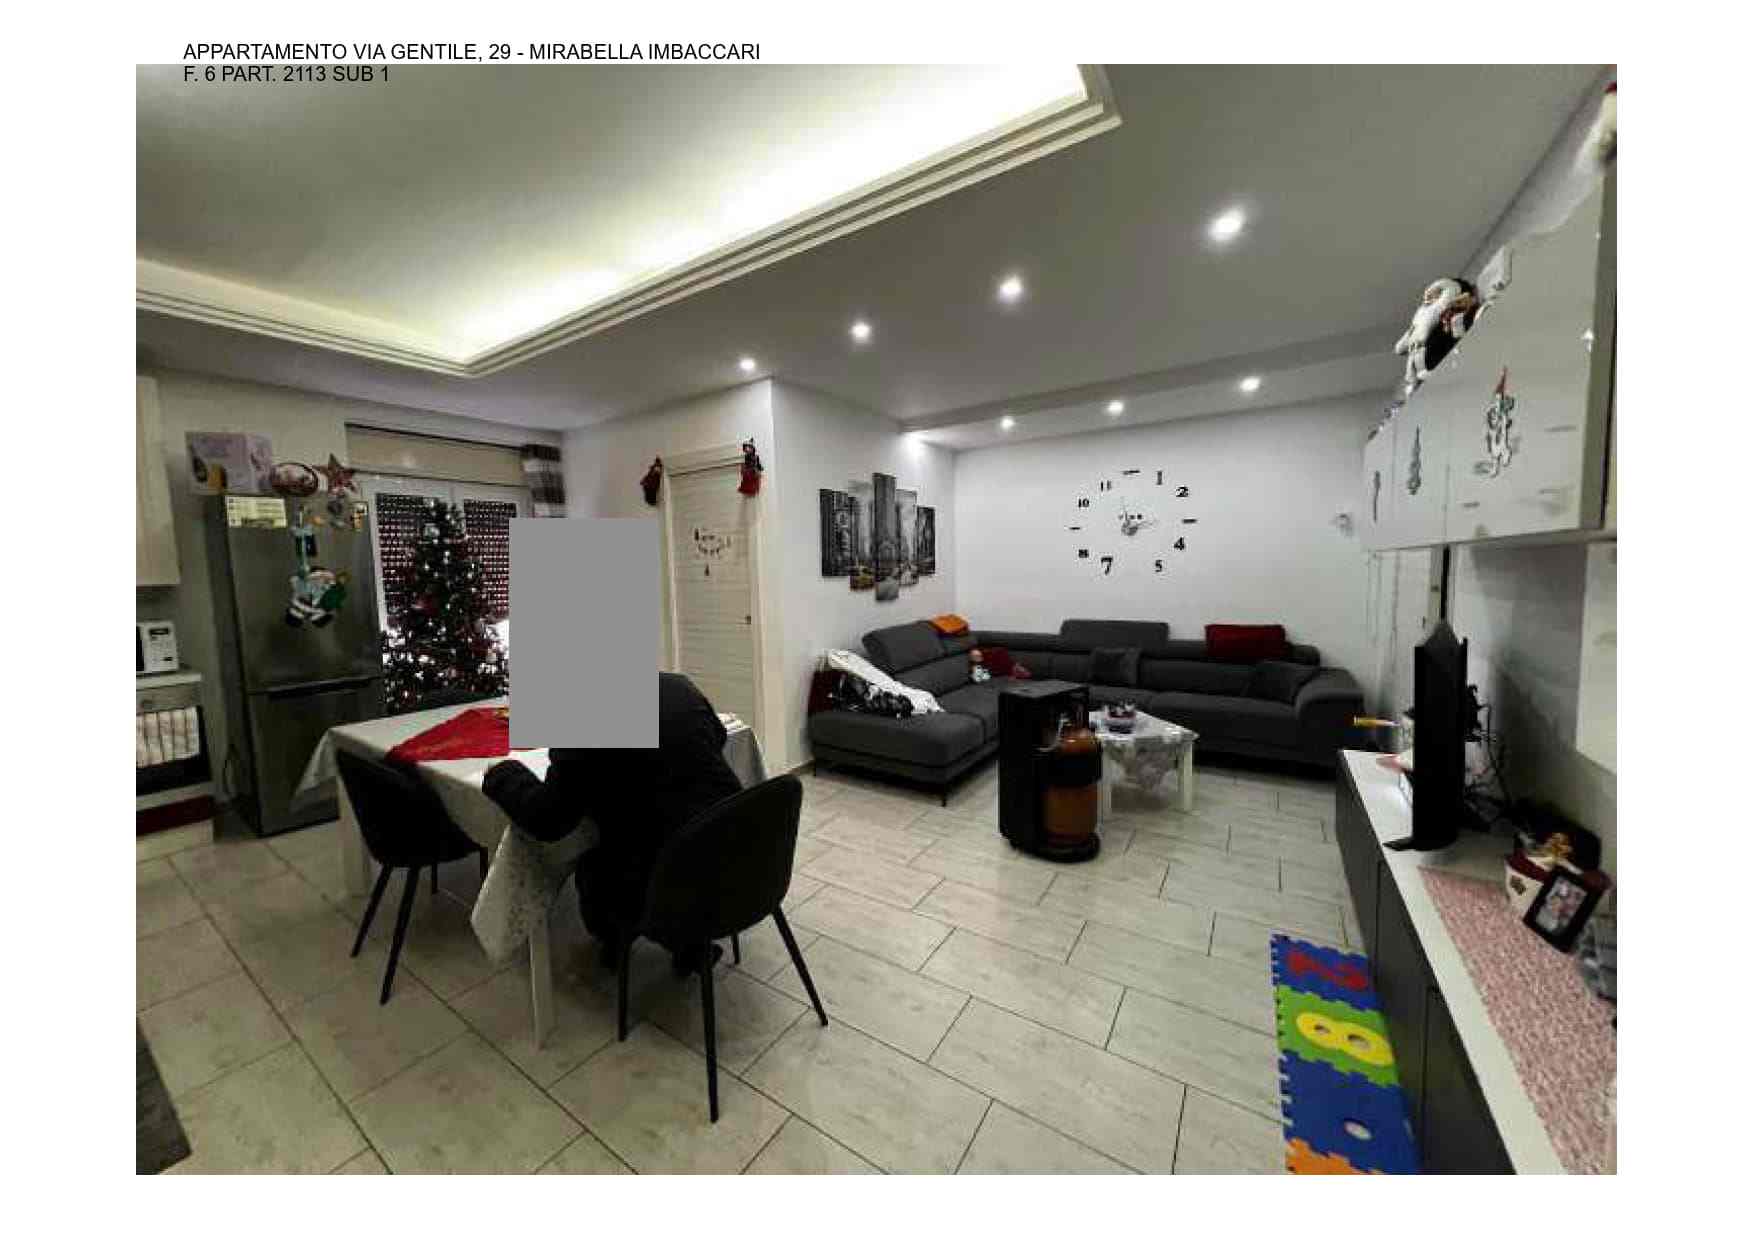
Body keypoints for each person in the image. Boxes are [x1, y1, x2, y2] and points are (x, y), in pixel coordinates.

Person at [481, 672, 743, 973]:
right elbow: (718, 738)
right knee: (666, 822)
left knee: (596, 859)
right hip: (733, 853)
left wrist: (503, 774)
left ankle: (618, 936)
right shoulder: (676, 685)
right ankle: (690, 943)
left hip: (665, 878)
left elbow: (548, 820)